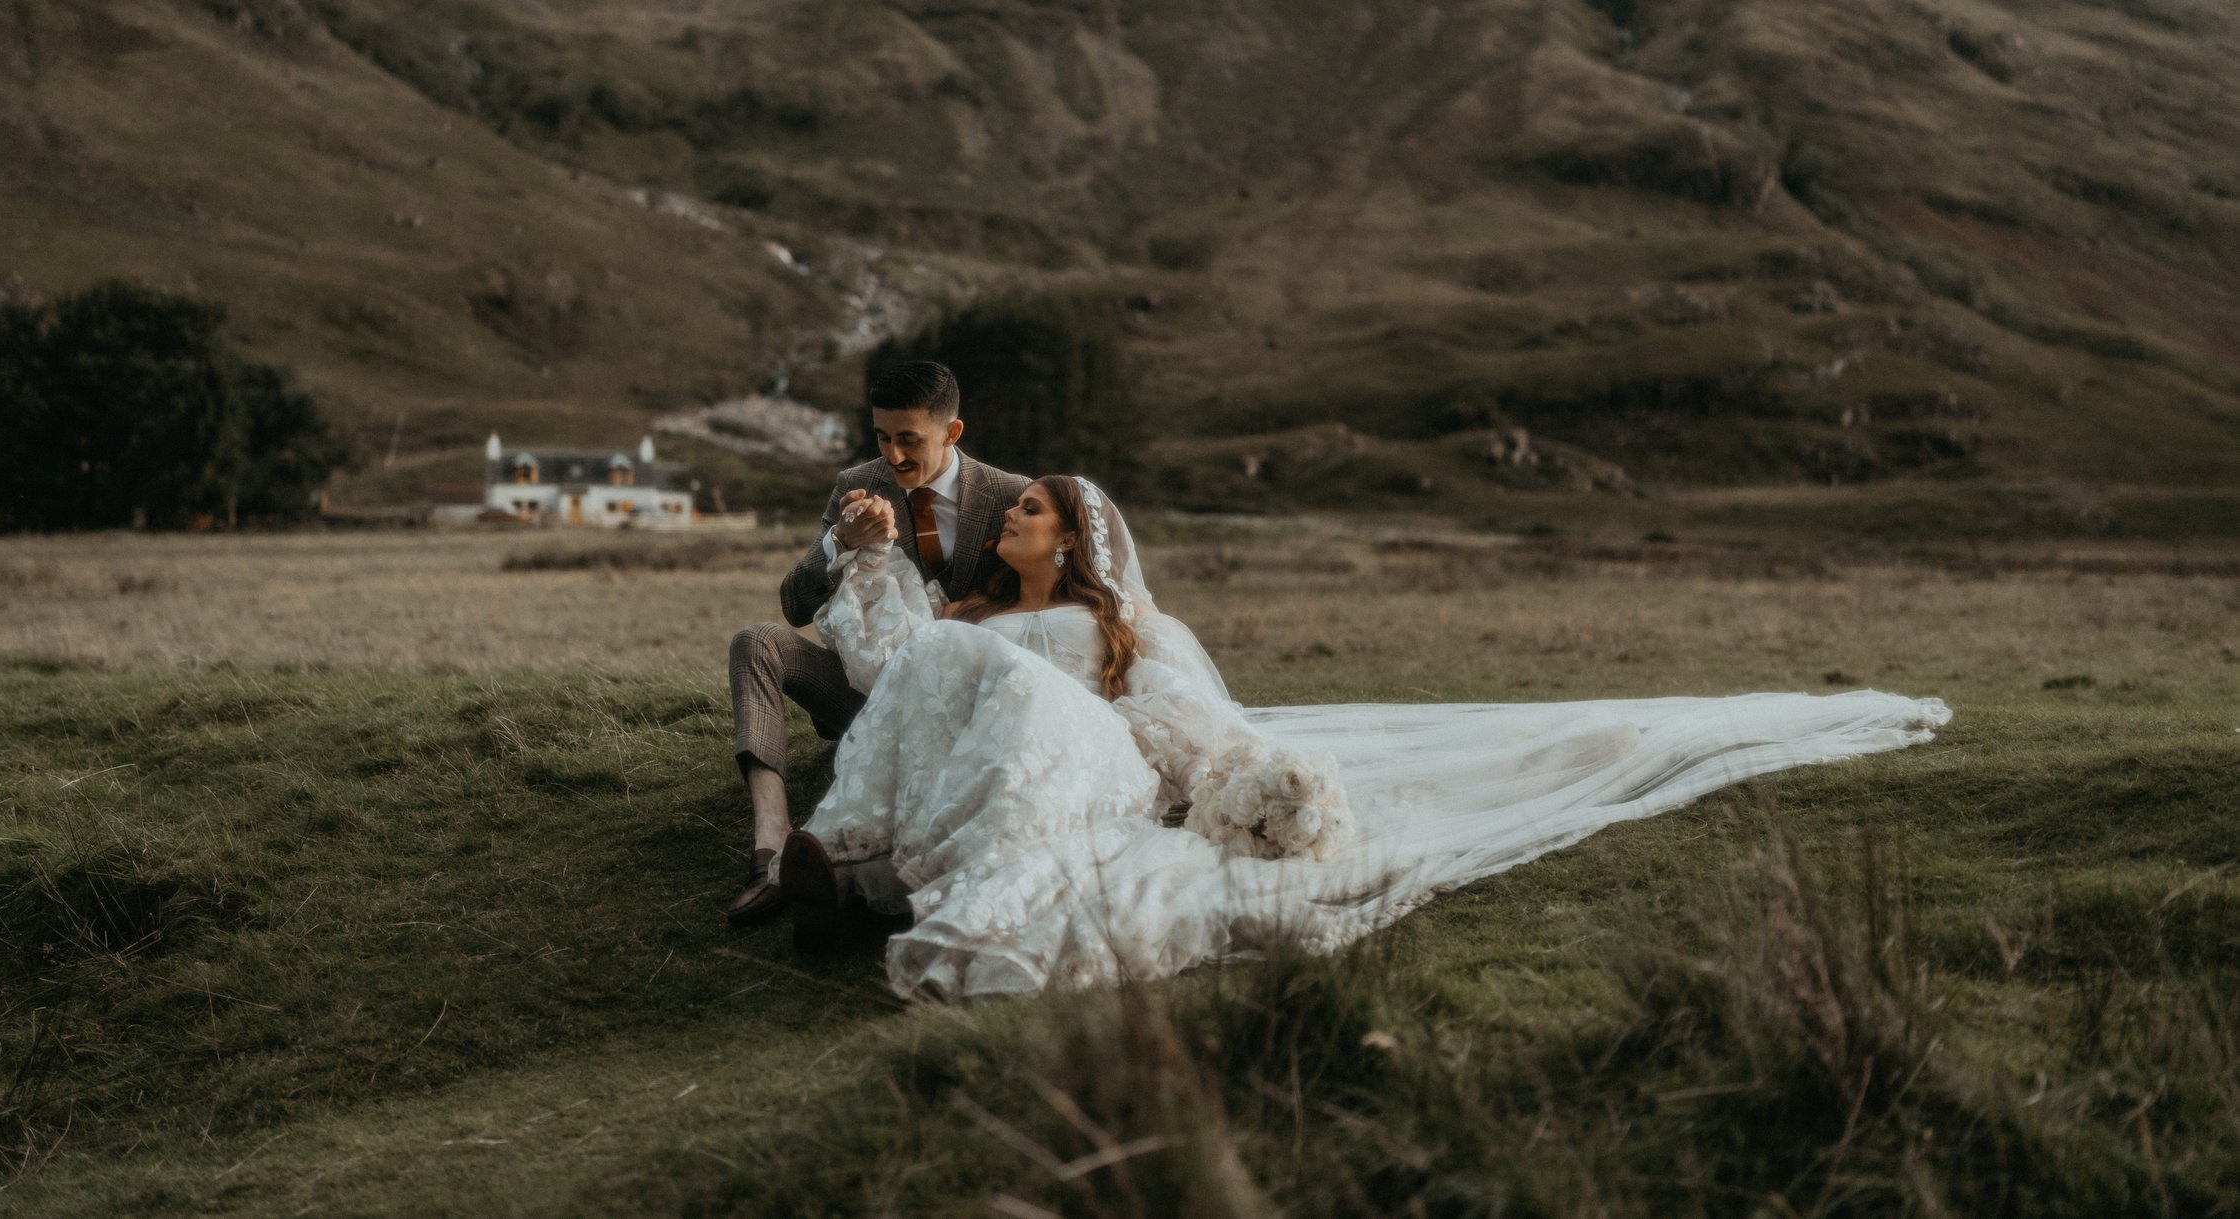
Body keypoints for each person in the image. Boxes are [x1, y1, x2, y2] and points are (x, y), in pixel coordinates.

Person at [767, 475, 1954, 1002]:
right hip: (968, 747)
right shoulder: (971, 615)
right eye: (1013, 506)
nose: (1010, 514)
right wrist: (868, 555)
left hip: (1104, 754)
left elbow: (1196, 719)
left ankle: (881, 879)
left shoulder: (1121, 623)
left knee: (1029, 703)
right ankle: (856, 859)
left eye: (1029, 508)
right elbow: (891, 662)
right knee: (948, 655)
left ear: (1074, 539)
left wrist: (1234, 780)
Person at [725, 361, 1030, 928]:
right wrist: (838, 542)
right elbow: (795, 606)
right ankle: (772, 838)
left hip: (963, 717)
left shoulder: (1012, 495)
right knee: (756, 642)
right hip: (864, 703)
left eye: (909, 440)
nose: (893, 457)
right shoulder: (854, 486)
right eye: (883, 438)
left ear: (952, 432)